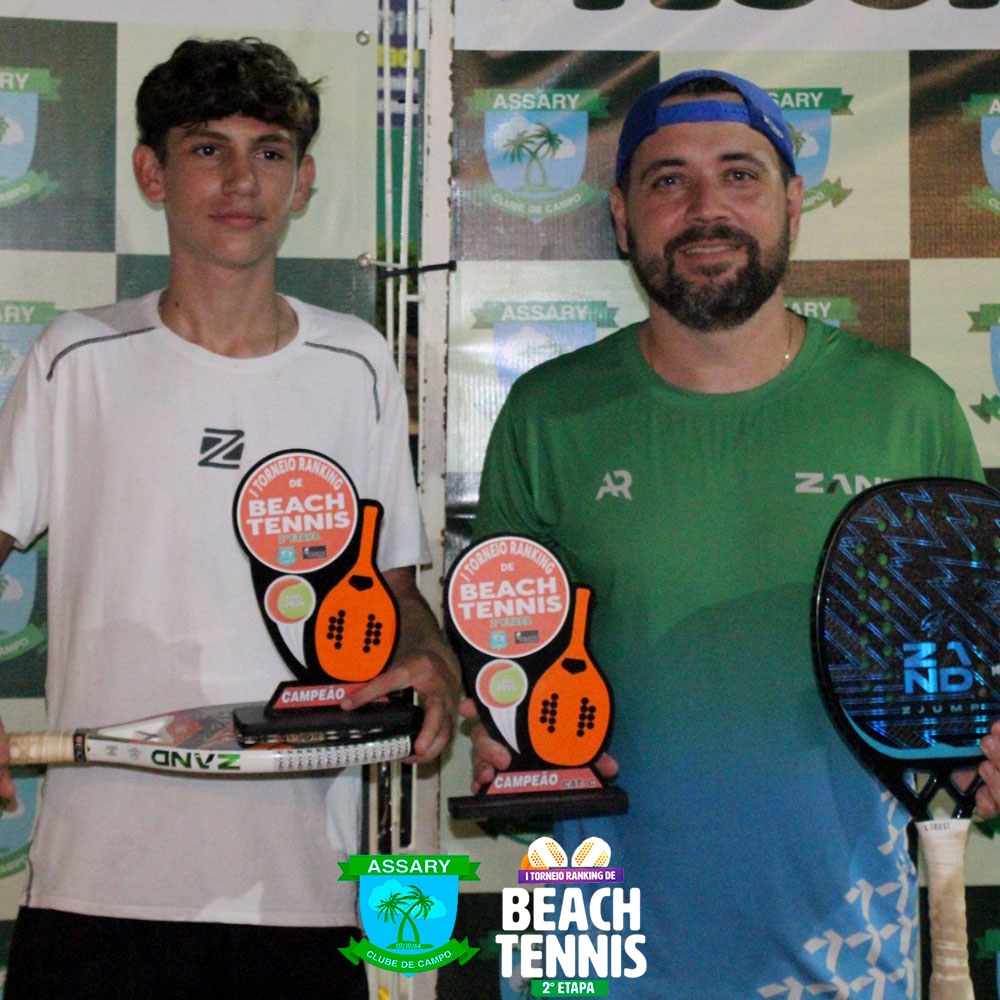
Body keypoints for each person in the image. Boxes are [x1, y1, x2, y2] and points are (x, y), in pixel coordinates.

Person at [459, 69, 997, 997]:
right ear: (622, 215)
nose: (706, 208)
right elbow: (505, 669)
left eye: (740, 174)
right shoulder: (546, 414)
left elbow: (973, 659)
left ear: (793, 201)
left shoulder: (908, 410)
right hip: (588, 937)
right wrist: (501, 732)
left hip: (840, 943)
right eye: (668, 180)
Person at [0, 37, 459, 998]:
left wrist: (434, 660)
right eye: (208, 148)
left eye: (270, 151)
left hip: (300, 894)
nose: (242, 179)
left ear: (302, 182)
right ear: (152, 173)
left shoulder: (357, 362)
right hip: (96, 887)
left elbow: (393, 590)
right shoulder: (74, 357)